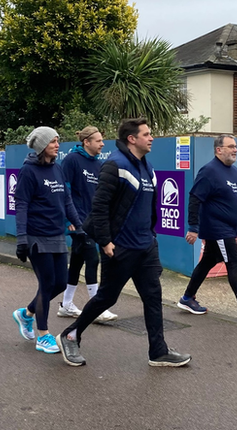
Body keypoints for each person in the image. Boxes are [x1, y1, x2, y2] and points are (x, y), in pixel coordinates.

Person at [57, 118, 190, 368]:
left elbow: (149, 211)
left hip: (145, 247)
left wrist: (152, 239)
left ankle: (158, 351)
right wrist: (106, 242)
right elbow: (99, 206)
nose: (151, 138)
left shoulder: (148, 168)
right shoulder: (114, 165)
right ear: (132, 138)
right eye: (147, 134)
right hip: (121, 247)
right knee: (107, 298)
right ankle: (70, 335)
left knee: (153, 297)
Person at [177, 135, 237, 323]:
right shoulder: (209, 171)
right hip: (217, 229)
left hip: (229, 228)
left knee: (207, 261)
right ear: (219, 150)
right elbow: (195, 198)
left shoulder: (236, 173)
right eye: (230, 147)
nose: (235, 150)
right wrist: (193, 227)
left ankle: (187, 298)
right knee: (234, 263)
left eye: (235, 146)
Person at [10, 126, 84, 353]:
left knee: (60, 283)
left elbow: (67, 201)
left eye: (58, 140)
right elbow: (21, 205)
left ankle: (26, 313)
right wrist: (21, 238)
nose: (57, 144)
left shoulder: (58, 169)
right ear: (42, 145)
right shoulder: (28, 172)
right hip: (36, 236)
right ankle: (43, 335)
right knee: (46, 283)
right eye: (53, 141)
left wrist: (79, 226)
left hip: (56, 235)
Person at [56, 126, 117, 324]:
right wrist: (69, 221)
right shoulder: (72, 160)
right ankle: (97, 307)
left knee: (77, 261)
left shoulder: (99, 164)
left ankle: (66, 305)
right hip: (78, 222)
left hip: (93, 221)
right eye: (98, 141)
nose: (102, 144)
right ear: (86, 142)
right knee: (92, 259)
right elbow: (63, 191)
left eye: (102, 141)